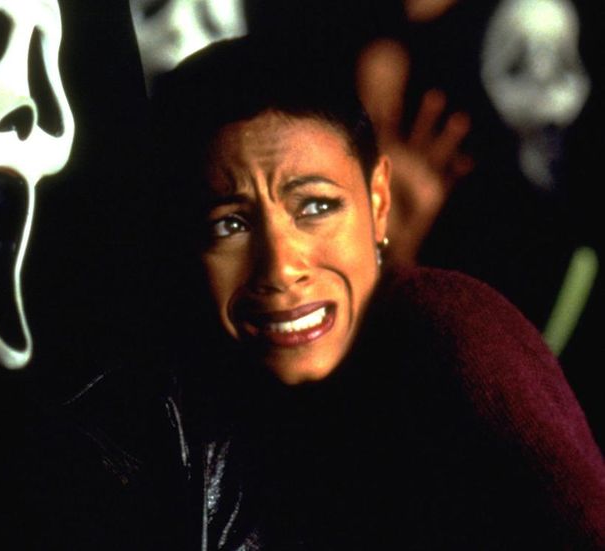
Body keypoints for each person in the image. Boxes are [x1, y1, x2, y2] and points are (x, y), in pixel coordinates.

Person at [141, 36, 605, 548]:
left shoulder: (456, 336)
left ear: (378, 200)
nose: (281, 268)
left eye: (316, 207)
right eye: (230, 225)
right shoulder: (186, 403)